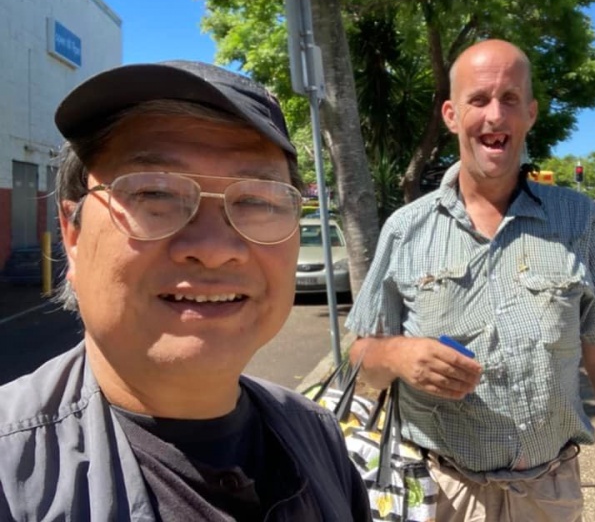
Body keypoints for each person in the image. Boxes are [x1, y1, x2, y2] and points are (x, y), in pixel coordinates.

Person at [0, 61, 370, 521]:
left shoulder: (317, 435)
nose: (214, 249)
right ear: (72, 235)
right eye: (154, 194)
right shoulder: (12, 473)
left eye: (256, 200)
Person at [346, 39, 595, 521]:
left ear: (530, 114)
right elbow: (361, 357)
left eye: (510, 99)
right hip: (437, 493)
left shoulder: (580, 221)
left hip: (549, 497)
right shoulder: (406, 229)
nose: (495, 115)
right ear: (451, 115)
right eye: (479, 99)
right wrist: (397, 354)